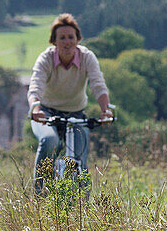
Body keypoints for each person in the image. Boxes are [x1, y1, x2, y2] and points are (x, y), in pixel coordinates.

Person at [28, 13, 112, 194]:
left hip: (76, 115)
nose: (67, 42)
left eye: (71, 37)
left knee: (78, 161)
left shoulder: (87, 57)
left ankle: (83, 207)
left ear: (78, 39)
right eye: (62, 38)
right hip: (46, 113)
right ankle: (39, 195)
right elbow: (35, 86)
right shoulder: (46, 59)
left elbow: (98, 85)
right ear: (54, 41)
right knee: (49, 141)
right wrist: (35, 108)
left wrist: (106, 111)